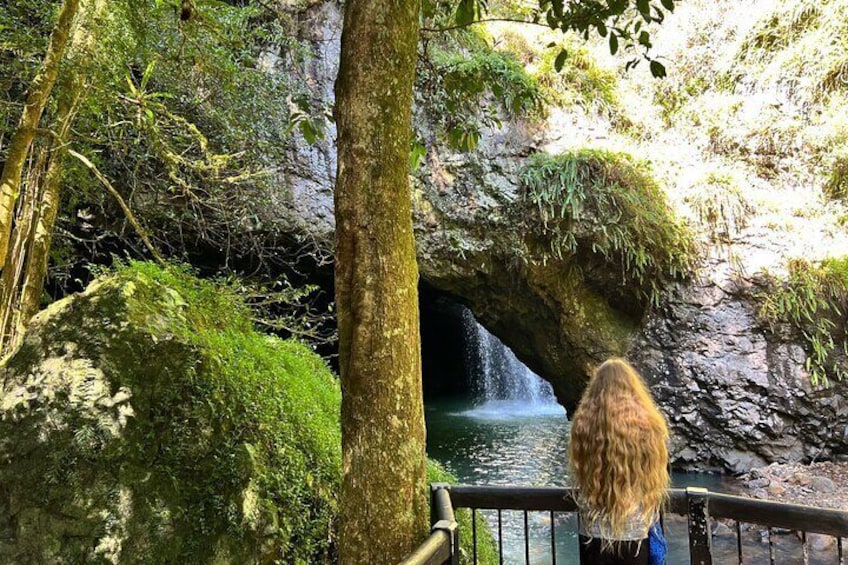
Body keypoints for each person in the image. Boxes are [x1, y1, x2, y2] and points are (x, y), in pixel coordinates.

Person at [568, 357, 669, 565]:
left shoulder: (583, 426)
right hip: (636, 531)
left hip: (592, 533)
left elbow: (579, 475)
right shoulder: (649, 426)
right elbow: (656, 475)